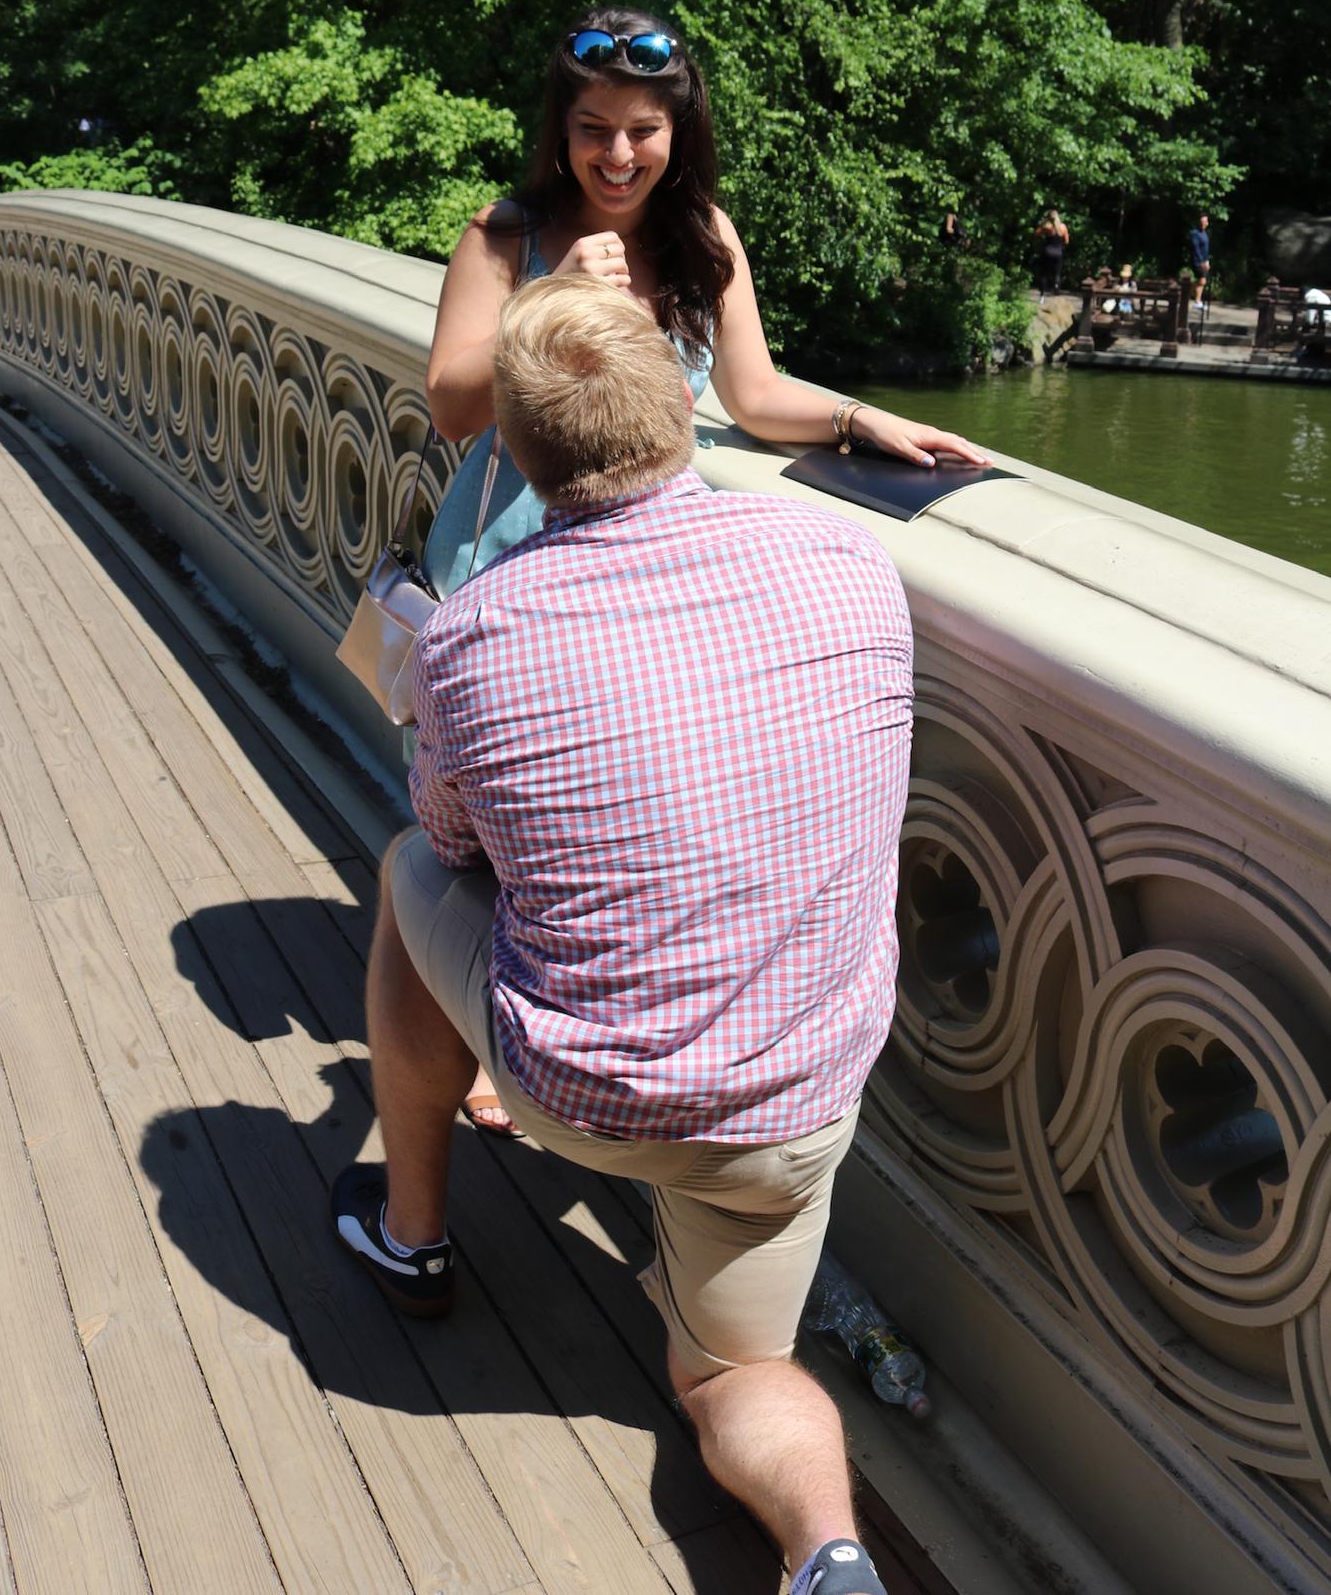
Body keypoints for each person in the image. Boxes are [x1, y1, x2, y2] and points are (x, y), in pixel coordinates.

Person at [333, 274, 916, 1595]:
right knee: (735, 1378)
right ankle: (827, 1556)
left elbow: (457, 843)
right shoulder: (849, 564)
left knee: (405, 877)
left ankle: (411, 1230)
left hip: (590, 1098)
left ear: (518, 455)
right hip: (795, 1100)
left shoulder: (477, 633)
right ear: (681, 407)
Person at [420, 8, 986, 1133]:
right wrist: (550, 303)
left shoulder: (703, 239)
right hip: (509, 559)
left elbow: (749, 395)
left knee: (583, 799)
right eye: (592, 128)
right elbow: (449, 406)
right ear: (559, 127)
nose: (617, 155)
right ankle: (476, 1024)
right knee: (487, 809)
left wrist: (856, 417)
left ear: (679, 130)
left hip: (642, 567)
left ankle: (541, 993)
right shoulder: (502, 237)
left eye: (642, 130)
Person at [1034, 208, 1069, 301]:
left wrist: (1043, 224)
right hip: (1058, 252)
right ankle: (1056, 288)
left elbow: (1036, 233)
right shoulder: (1063, 227)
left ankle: (1042, 296)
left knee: (1044, 274)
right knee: (1057, 273)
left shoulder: (1047, 227)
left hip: (1047, 251)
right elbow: (1066, 241)